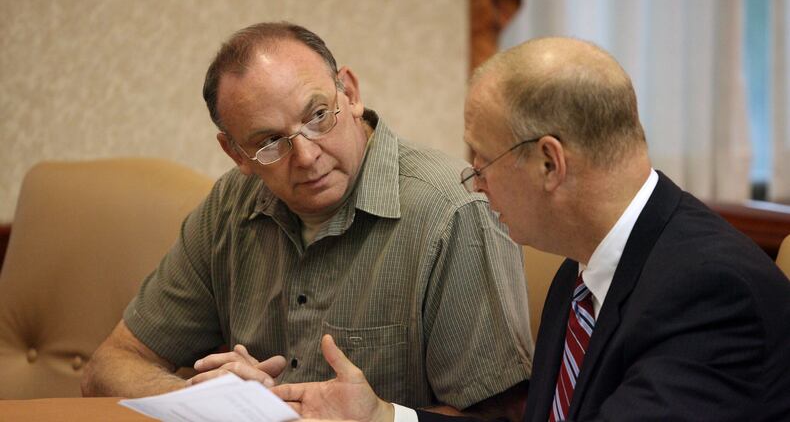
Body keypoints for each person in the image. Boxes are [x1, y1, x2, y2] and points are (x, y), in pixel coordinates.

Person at [272, 37, 790, 421]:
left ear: (549, 163)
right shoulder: (582, 273)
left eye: (482, 161)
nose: (475, 184)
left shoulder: (714, 292)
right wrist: (383, 417)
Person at [80, 21, 533, 418]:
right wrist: (208, 402)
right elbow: (111, 365)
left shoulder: (452, 211)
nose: (307, 156)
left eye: (317, 116)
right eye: (270, 142)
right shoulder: (230, 206)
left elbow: (503, 417)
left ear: (349, 94)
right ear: (236, 153)